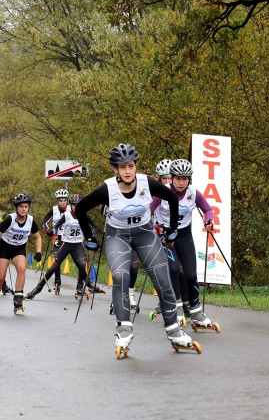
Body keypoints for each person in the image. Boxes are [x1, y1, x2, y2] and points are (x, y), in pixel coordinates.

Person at [76, 143, 200, 357]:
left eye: (131, 166)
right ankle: (124, 332)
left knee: (163, 280)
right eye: (122, 167)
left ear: (135, 167)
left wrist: (172, 228)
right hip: (118, 237)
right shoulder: (107, 189)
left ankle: (175, 332)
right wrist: (89, 238)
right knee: (121, 277)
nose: (127, 171)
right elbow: (80, 209)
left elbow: (170, 197)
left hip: (144, 234)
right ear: (115, 169)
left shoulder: (146, 183)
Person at [151, 158, 220, 331]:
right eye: (178, 178)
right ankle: (176, 308)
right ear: (171, 178)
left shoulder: (193, 193)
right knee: (174, 269)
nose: (181, 183)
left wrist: (209, 220)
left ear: (189, 179)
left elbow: (208, 209)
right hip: (165, 235)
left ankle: (196, 312)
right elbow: (148, 210)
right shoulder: (162, 192)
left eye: (185, 179)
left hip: (184, 235)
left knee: (190, 274)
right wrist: (151, 226)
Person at [26, 194, 100, 299]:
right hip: (66, 243)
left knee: (82, 264)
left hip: (78, 244)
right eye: (74, 205)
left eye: (78, 205)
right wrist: (56, 237)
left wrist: (91, 239)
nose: (76, 207)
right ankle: (37, 289)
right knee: (54, 267)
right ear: (71, 205)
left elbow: (95, 227)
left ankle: (80, 288)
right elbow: (56, 226)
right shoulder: (66, 215)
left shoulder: (84, 215)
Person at [0, 194, 42, 315]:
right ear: (16, 208)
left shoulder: (30, 220)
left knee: (21, 268)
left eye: (26, 206)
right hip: (4, 247)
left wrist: (38, 252)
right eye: (21, 206)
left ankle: (18, 299)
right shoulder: (10, 219)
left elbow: (38, 237)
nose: (24, 209)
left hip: (19, 248)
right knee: (0, 277)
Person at [152, 158, 190, 320]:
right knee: (168, 269)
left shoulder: (183, 194)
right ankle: (167, 301)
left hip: (177, 234)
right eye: (164, 178)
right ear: (159, 179)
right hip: (160, 234)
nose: (167, 182)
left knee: (182, 271)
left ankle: (187, 304)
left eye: (169, 178)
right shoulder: (156, 193)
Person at [42, 189, 69, 294]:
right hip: (57, 237)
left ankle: (81, 285)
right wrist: (48, 230)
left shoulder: (71, 209)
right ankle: (58, 282)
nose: (62, 202)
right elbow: (44, 221)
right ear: (57, 201)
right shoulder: (54, 209)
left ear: (67, 201)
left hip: (69, 237)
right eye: (60, 200)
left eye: (64, 200)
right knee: (57, 259)